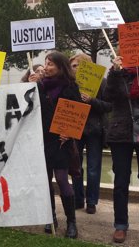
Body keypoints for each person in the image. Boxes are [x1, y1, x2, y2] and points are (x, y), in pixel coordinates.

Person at [104, 56, 139, 247]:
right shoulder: (118, 71)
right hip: (121, 131)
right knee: (120, 181)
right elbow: (108, 95)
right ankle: (120, 225)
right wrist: (115, 72)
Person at [31, 51, 81, 238]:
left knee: (61, 179)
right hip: (42, 139)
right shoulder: (39, 86)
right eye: (46, 63)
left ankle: (71, 222)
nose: (47, 67)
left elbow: (76, 114)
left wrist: (69, 131)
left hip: (61, 141)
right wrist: (33, 86)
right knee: (45, 181)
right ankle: (50, 217)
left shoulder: (70, 87)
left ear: (61, 66)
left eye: (51, 64)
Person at [69, 54, 112, 214]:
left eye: (78, 65)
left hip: (94, 130)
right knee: (75, 166)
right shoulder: (70, 84)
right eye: (73, 66)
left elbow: (109, 106)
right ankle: (78, 199)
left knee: (94, 167)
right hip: (75, 128)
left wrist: (91, 100)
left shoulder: (101, 82)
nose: (76, 68)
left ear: (88, 67)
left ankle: (92, 202)